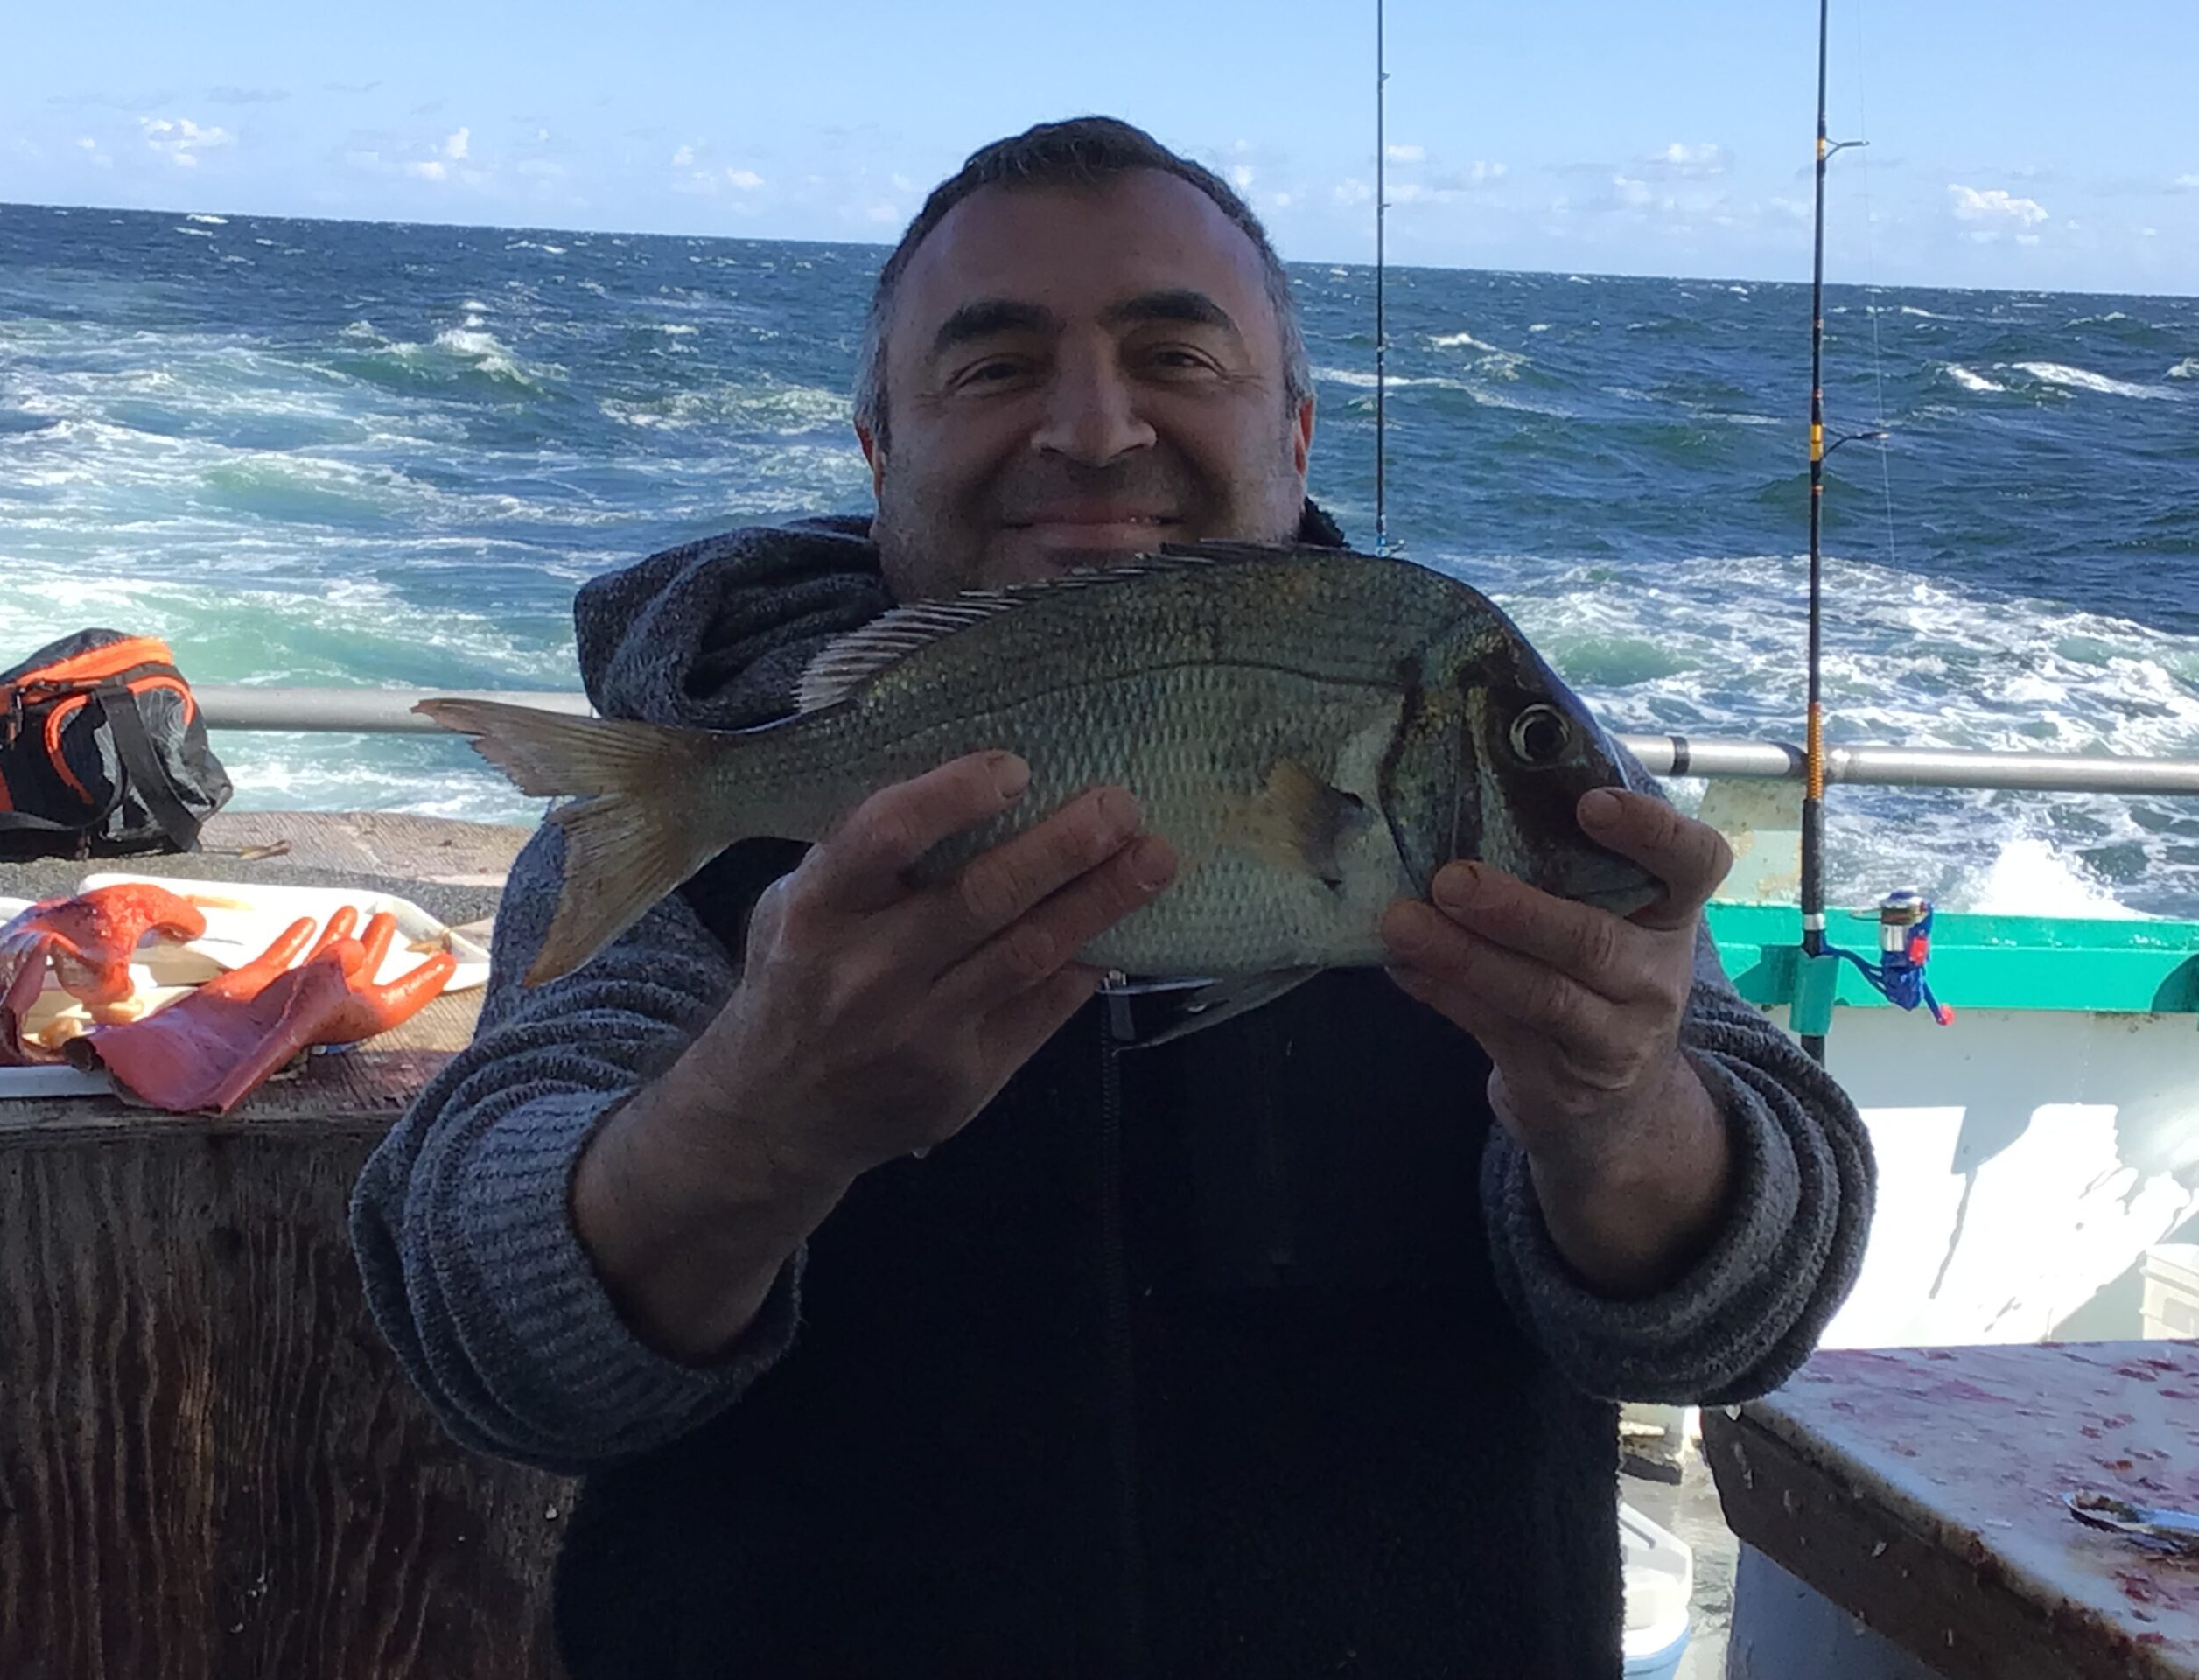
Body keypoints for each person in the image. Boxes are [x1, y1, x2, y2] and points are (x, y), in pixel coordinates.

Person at [352, 116, 1873, 1679]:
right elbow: (478, 1333)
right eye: (996, 367)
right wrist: (758, 1124)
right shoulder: (717, 786)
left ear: (1296, 430)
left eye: (1178, 357)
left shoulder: (1458, 747)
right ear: (879, 446)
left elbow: (1750, 1319)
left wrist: (1621, 1110)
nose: (1092, 430)